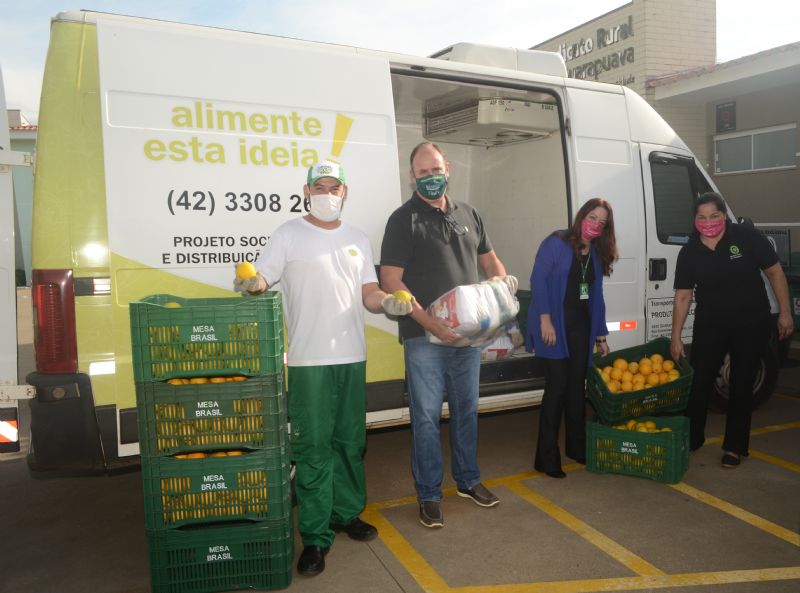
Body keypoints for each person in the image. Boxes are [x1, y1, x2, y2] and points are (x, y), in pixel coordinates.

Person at [235, 160, 412, 577]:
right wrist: (251, 282)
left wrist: (387, 301)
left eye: (335, 187)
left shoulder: (357, 239)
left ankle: (345, 513)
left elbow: (368, 292)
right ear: (306, 190)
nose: (328, 193)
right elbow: (263, 278)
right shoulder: (289, 234)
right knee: (313, 448)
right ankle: (315, 535)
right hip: (309, 361)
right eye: (320, 186)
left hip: (351, 356)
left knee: (350, 442)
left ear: (345, 192)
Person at [379, 141, 518, 529]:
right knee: (425, 417)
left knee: (465, 411)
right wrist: (429, 322)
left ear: (448, 168)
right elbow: (391, 279)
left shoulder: (469, 213)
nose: (431, 178)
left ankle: (468, 481)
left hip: (469, 336)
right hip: (424, 337)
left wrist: (501, 300)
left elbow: (490, 260)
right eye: (423, 173)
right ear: (412, 177)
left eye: (436, 170)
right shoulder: (402, 220)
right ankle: (428, 494)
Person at [670, 192, 794, 469]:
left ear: (724, 215)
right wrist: (675, 336)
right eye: (701, 216)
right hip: (710, 322)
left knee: (741, 382)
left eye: (714, 215)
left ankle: (735, 448)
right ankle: (692, 439)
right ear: (694, 220)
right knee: (699, 382)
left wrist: (785, 313)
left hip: (751, 321)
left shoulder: (746, 237)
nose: (708, 221)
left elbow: (775, 273)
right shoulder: (690, 251)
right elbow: (683, 295)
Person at [525, 198, 617, 479]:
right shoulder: (556, 242)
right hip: (553, 326)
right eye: (592, 217)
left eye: (601, 222)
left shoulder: (596, 253)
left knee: (578, 388)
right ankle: (546, 457)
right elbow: (537, 280)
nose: (595, 225)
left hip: (580, 329)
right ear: (581, 217)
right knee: (557, 390)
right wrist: (544, 320)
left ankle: (577, 448)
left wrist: (600, 334)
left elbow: (596, 296)